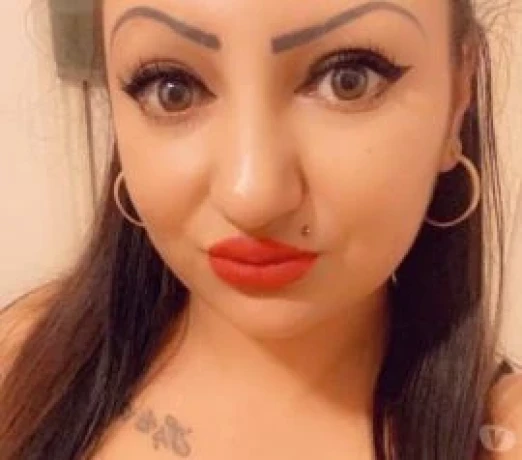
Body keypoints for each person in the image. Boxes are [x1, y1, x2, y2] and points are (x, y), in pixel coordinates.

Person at [0, 0, 521, 458]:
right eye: (172, 88)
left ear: (459, 95)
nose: (251, 196)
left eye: (349, 80)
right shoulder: (21, 358)